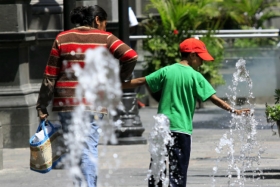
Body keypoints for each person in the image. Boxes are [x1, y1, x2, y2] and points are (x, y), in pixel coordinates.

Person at [122, 38, 250, 187]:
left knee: (157, 171)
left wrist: (116, 85)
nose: (202, 63)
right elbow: (213, 98)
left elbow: (141, 81)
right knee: (178, 174)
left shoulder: (167, 70)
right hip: (181, 130)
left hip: (161, 128)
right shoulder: (195, 76)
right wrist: (234, 110)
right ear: (192, 55)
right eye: (201, 58)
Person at [36, 5, 138, 187]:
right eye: (105, 24)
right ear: (97, 20)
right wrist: (118, 79)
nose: (105, 28)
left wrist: (42, 104)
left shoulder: (62, 38)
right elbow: (130, 55)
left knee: (77, 149)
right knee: (87, 148)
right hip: (93, 102)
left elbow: (50, 74)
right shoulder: (105, 38)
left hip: (66, 102)